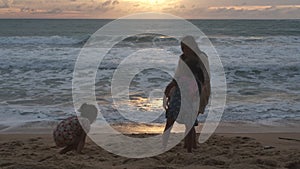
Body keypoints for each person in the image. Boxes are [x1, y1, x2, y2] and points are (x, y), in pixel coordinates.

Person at [162, 36, 211, 152]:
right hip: (182, 89)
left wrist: (198, 92)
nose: (183, 50)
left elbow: (205, 77)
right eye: (182, 47)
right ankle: (190, 146)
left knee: (191, 119)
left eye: (185, 47)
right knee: (179, 118)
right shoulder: (182, 58)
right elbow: (178, 75)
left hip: (199, 89)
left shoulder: (202, 57)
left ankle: (191, 146)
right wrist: (170, 87)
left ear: (192, 46)